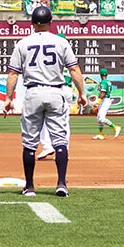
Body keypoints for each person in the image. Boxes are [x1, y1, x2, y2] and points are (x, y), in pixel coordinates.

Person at [3, 6, 87, 197]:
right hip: (55, 92)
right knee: (60, 141)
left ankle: (30, 186)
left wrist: (8, 98)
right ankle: (61, 184)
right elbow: (74, 70)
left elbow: (13, 73)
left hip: (33, 92)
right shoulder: (61, 42)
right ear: (51, 23)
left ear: (32, 24)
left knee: (30, 143)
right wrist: (82, 93)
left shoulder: (22, 43)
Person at [38, 32, 75, 160]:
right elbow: (75, 71)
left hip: (52, 88)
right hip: (66, 89)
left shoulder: (48, 53)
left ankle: (47, 146)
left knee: (42, 117)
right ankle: (64, 150)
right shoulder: (69, 54)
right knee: (64, 122)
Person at [92, 68, 122, 140]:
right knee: (99, 118)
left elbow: (102, 93)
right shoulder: (108, 82)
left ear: (100, 75)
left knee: (101, 118)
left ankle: (116, 127)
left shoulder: (103, 82)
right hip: (106, 100)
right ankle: (101, 134)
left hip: (105, 100)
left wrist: (97, 103)